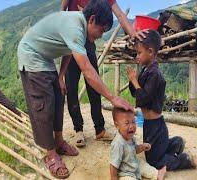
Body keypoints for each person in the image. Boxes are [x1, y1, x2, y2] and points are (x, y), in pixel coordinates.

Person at [18, 0, 133, 178]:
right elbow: (87, 70)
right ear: (92, 19)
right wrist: (112, 97)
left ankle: (59, 142)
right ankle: (50, 154)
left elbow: (68, 50)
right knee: (44, 105)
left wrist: (61, 75)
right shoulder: (74, 26)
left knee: (58, 99)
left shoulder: (79, 26)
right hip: (31, 56)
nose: (101, 35)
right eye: (101, 30)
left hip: (46, 59)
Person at [61, 0, 147, 147]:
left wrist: (132, 33)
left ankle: (99, 129)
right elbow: (63, 8)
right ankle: (78, 129)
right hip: (73, 35)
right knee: (71, 86)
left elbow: (119, 14)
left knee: (94, 85)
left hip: (89, 39)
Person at [126, 30, 197, 171]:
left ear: (150, 52)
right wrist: (134, 77)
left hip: (155, 126)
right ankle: (176, 143)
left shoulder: (155, 74)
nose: (137, 56)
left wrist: (134, 80)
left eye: (139, 53)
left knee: (154, 161)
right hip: (152, 124)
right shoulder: (147, 71)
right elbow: (135, 93)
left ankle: (186, 159)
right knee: (155, 151)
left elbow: (144, 98)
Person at [110, 107, 166, 180]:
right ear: (117, 125)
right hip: (125, 172)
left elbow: (134, 149)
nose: (131, 126)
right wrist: (113, 178)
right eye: (127, 123)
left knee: (144, 165)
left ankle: (157, 174)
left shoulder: (130, 137)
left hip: (134, 163)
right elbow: (113, 164)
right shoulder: (118, 144)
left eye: (133, 121)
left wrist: (142, 147)